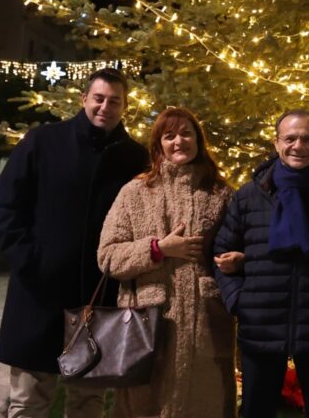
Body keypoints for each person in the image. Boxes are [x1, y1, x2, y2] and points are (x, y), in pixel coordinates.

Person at [0, 68, 149, 418]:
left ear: (125, 107)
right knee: (29, 401)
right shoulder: (43, 141)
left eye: (114, 101)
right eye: (99, 98)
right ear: (84, 99)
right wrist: (31, 261)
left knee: (87, 402)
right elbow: (4, 208)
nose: (105, 106)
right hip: (39, 295)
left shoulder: (135, 158)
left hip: (97, 298)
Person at [213, 109, 309, 418]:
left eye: (307, 139)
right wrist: (240, 301)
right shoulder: (249, 197)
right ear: (276, 142)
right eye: (290, 138)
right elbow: (221, 252)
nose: (299, 146)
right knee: (257, 410)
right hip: (260, 325)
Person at [98, 106, 235, 418]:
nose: (178, 141)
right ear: (157, 144)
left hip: (206, 325)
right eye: (169, 135)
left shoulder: (220, 193)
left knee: (205, 404)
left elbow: (242, 245)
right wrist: (158, 249)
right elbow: (107, 257)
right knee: (144, 404)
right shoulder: (135, 192)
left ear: (199, 140)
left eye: (186, 133)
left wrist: (238, 261)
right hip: (147, 326)